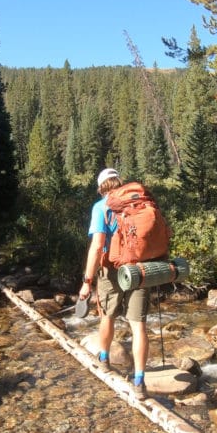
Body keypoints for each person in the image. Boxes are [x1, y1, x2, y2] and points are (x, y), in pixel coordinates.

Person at [79, 168, 150, 399]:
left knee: (107, 315)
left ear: (101, 187)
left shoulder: (101, 207)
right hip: (139, 269)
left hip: (111, 269)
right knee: (138, 324)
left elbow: (97, 246)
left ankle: (104, 359)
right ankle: (140, 381)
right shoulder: (138, 203)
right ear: (119, 183)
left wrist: (87, 281)